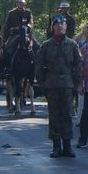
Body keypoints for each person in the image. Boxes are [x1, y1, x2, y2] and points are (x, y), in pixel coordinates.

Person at [36, 15, 83, 158]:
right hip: (52, 85)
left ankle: (67, 145)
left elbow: (79, 64)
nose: (60, 26)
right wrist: (42, 83)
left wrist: (78, 83)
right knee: (54, 116)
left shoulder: (72, 44)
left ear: (66, 27)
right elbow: (39, 66)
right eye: (58, 24)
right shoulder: (46, 45)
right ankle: (56, 146)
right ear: (53, 27)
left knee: (67, 115)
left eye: (63, 24)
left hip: (68, 85)